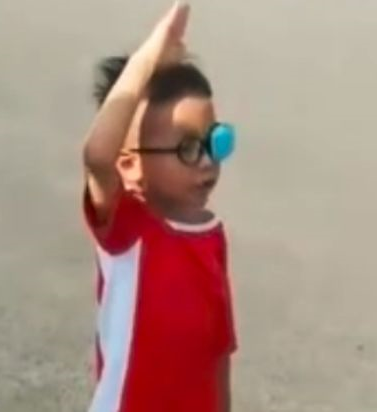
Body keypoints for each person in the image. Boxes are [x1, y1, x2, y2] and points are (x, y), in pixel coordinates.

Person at [81, 3, 237, 411]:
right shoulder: (126, 228)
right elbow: (97, 155)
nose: (207, 160)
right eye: (186, 148)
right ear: (129, 166)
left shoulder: (211, 236)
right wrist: (148, 58)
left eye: (214, 141)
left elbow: (218, 349)